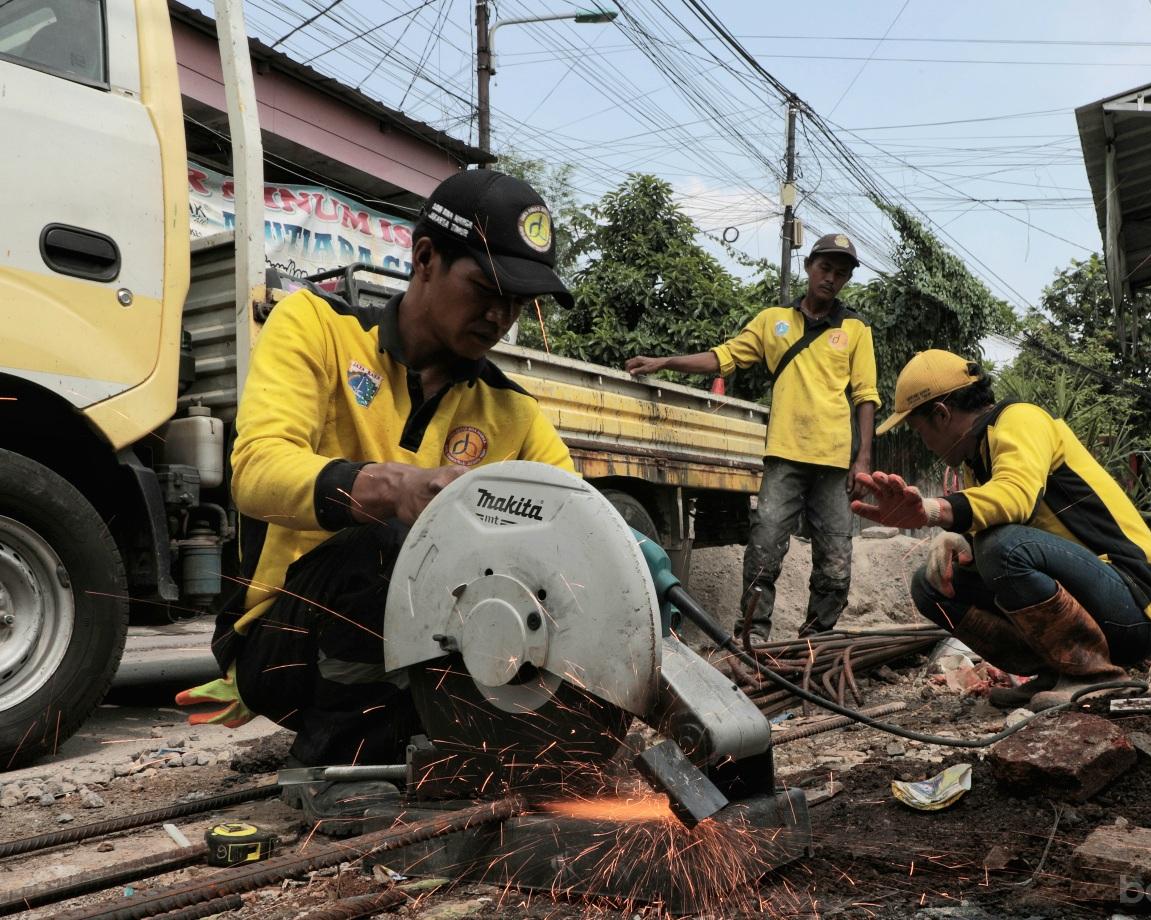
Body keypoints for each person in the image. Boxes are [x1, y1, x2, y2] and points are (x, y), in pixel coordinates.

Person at [175, 169, 576, 832]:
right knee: (392, 548)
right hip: (286, 641)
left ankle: (413, 741)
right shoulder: (318, 326)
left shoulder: (514, 411)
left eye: (517, 302)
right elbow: (255, 468)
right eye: (485, 290)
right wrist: (391, 487)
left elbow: (574, 522)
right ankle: (340, 764)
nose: (499, 317)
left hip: (427, 646)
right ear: (424, 258)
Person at [851, 350, 1151, 711]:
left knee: (1000, 547)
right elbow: (1012, 523)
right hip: (1098, 607)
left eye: (919, 429)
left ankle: (1093, 675)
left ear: (941, 415)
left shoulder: (1021, 420)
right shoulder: (978, 459)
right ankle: (1056, 671)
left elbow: (1015, 497)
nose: (923, 442)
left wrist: (934, 510)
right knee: (930, 587)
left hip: (1135, 605)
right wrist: (960, 542)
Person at [626, 234, 881, 640]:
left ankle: (817, 638)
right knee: (764, 548)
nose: (830, 278)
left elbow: (866, 395)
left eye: (840, 273)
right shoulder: (771, 322)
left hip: (835, 461)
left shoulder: (855, 329)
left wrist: (863, 458)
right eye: (824, 268)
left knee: (835, 557)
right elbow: (723, 357)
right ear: (809, 266)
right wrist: (666, 361)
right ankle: (753, 634)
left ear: (847, 279)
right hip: (785, 456)